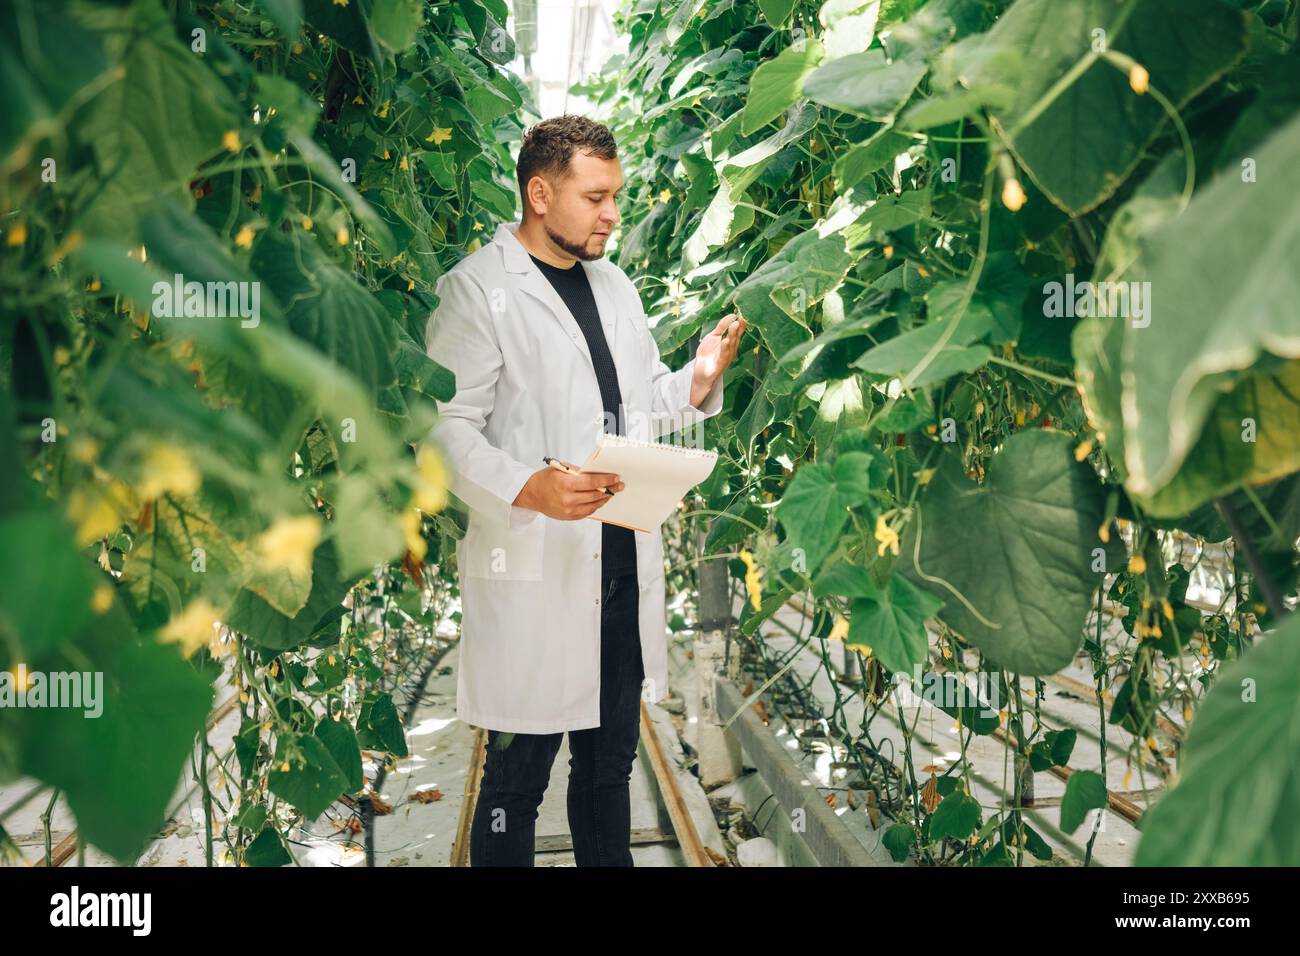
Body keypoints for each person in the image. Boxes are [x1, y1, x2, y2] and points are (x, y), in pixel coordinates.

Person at [424, 115, 746, 866]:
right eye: (596, 197)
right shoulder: (476, 290)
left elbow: (632, 408)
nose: (612, 214)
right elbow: (441, 429)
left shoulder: (614, 284)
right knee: (513, 787)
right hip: (535, 570)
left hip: (619, 565)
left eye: (617, 196)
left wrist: (694, 383)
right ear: (540, 194)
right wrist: (525, 487)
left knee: (608, 774)